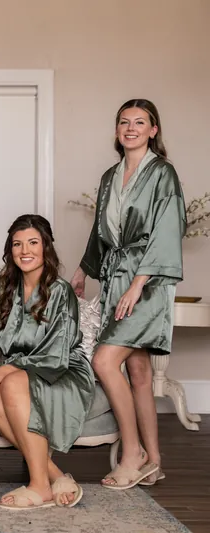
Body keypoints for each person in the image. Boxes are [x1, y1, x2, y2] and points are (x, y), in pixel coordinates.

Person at [70, 99, 187, 490]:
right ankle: (154, 461)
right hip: (116, 277)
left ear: (154, 130)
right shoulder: (110, 176)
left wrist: (139, 284)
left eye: (140, 122)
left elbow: (167, 230)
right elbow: (101, 232)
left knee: (106, 361)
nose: (131, 128)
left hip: (147, 282)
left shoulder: (163, 174)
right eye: (125, 122)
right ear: (117, 130)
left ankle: (131, 452)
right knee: (137, 372)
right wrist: (83, 271)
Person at [0, 214, 94, 510]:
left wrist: (7, 368)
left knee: (13, 380)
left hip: (61, 368)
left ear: (46, 247)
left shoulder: (60, 290)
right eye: (17, 244)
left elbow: (58, 351)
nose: (25, 251)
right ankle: (54, 475)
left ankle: (39, 485)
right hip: (17, 369)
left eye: (33, 243)